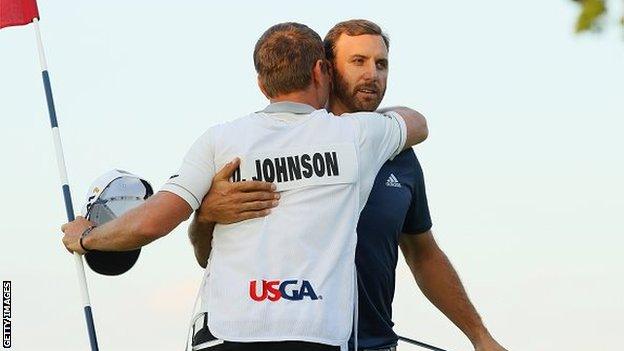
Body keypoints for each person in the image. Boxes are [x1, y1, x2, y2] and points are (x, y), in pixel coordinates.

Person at [61, 22, 428, 351]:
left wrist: (85, 237)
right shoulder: (358, 136)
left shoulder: (220, 141)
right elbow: (418, 123)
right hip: (316, 335)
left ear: (261, 83)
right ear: (321, 72)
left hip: (227, 333)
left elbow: (149, 224)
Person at [188, 20, 507, 351]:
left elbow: (423, 254)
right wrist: (206, 215)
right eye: (358, 61)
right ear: (324, 70)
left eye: (381, 64)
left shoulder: (399, 155)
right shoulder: (264, 145)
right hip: (285, 341)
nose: (372, 74)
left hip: (374, 343)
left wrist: (479, 336)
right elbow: (206, 256)